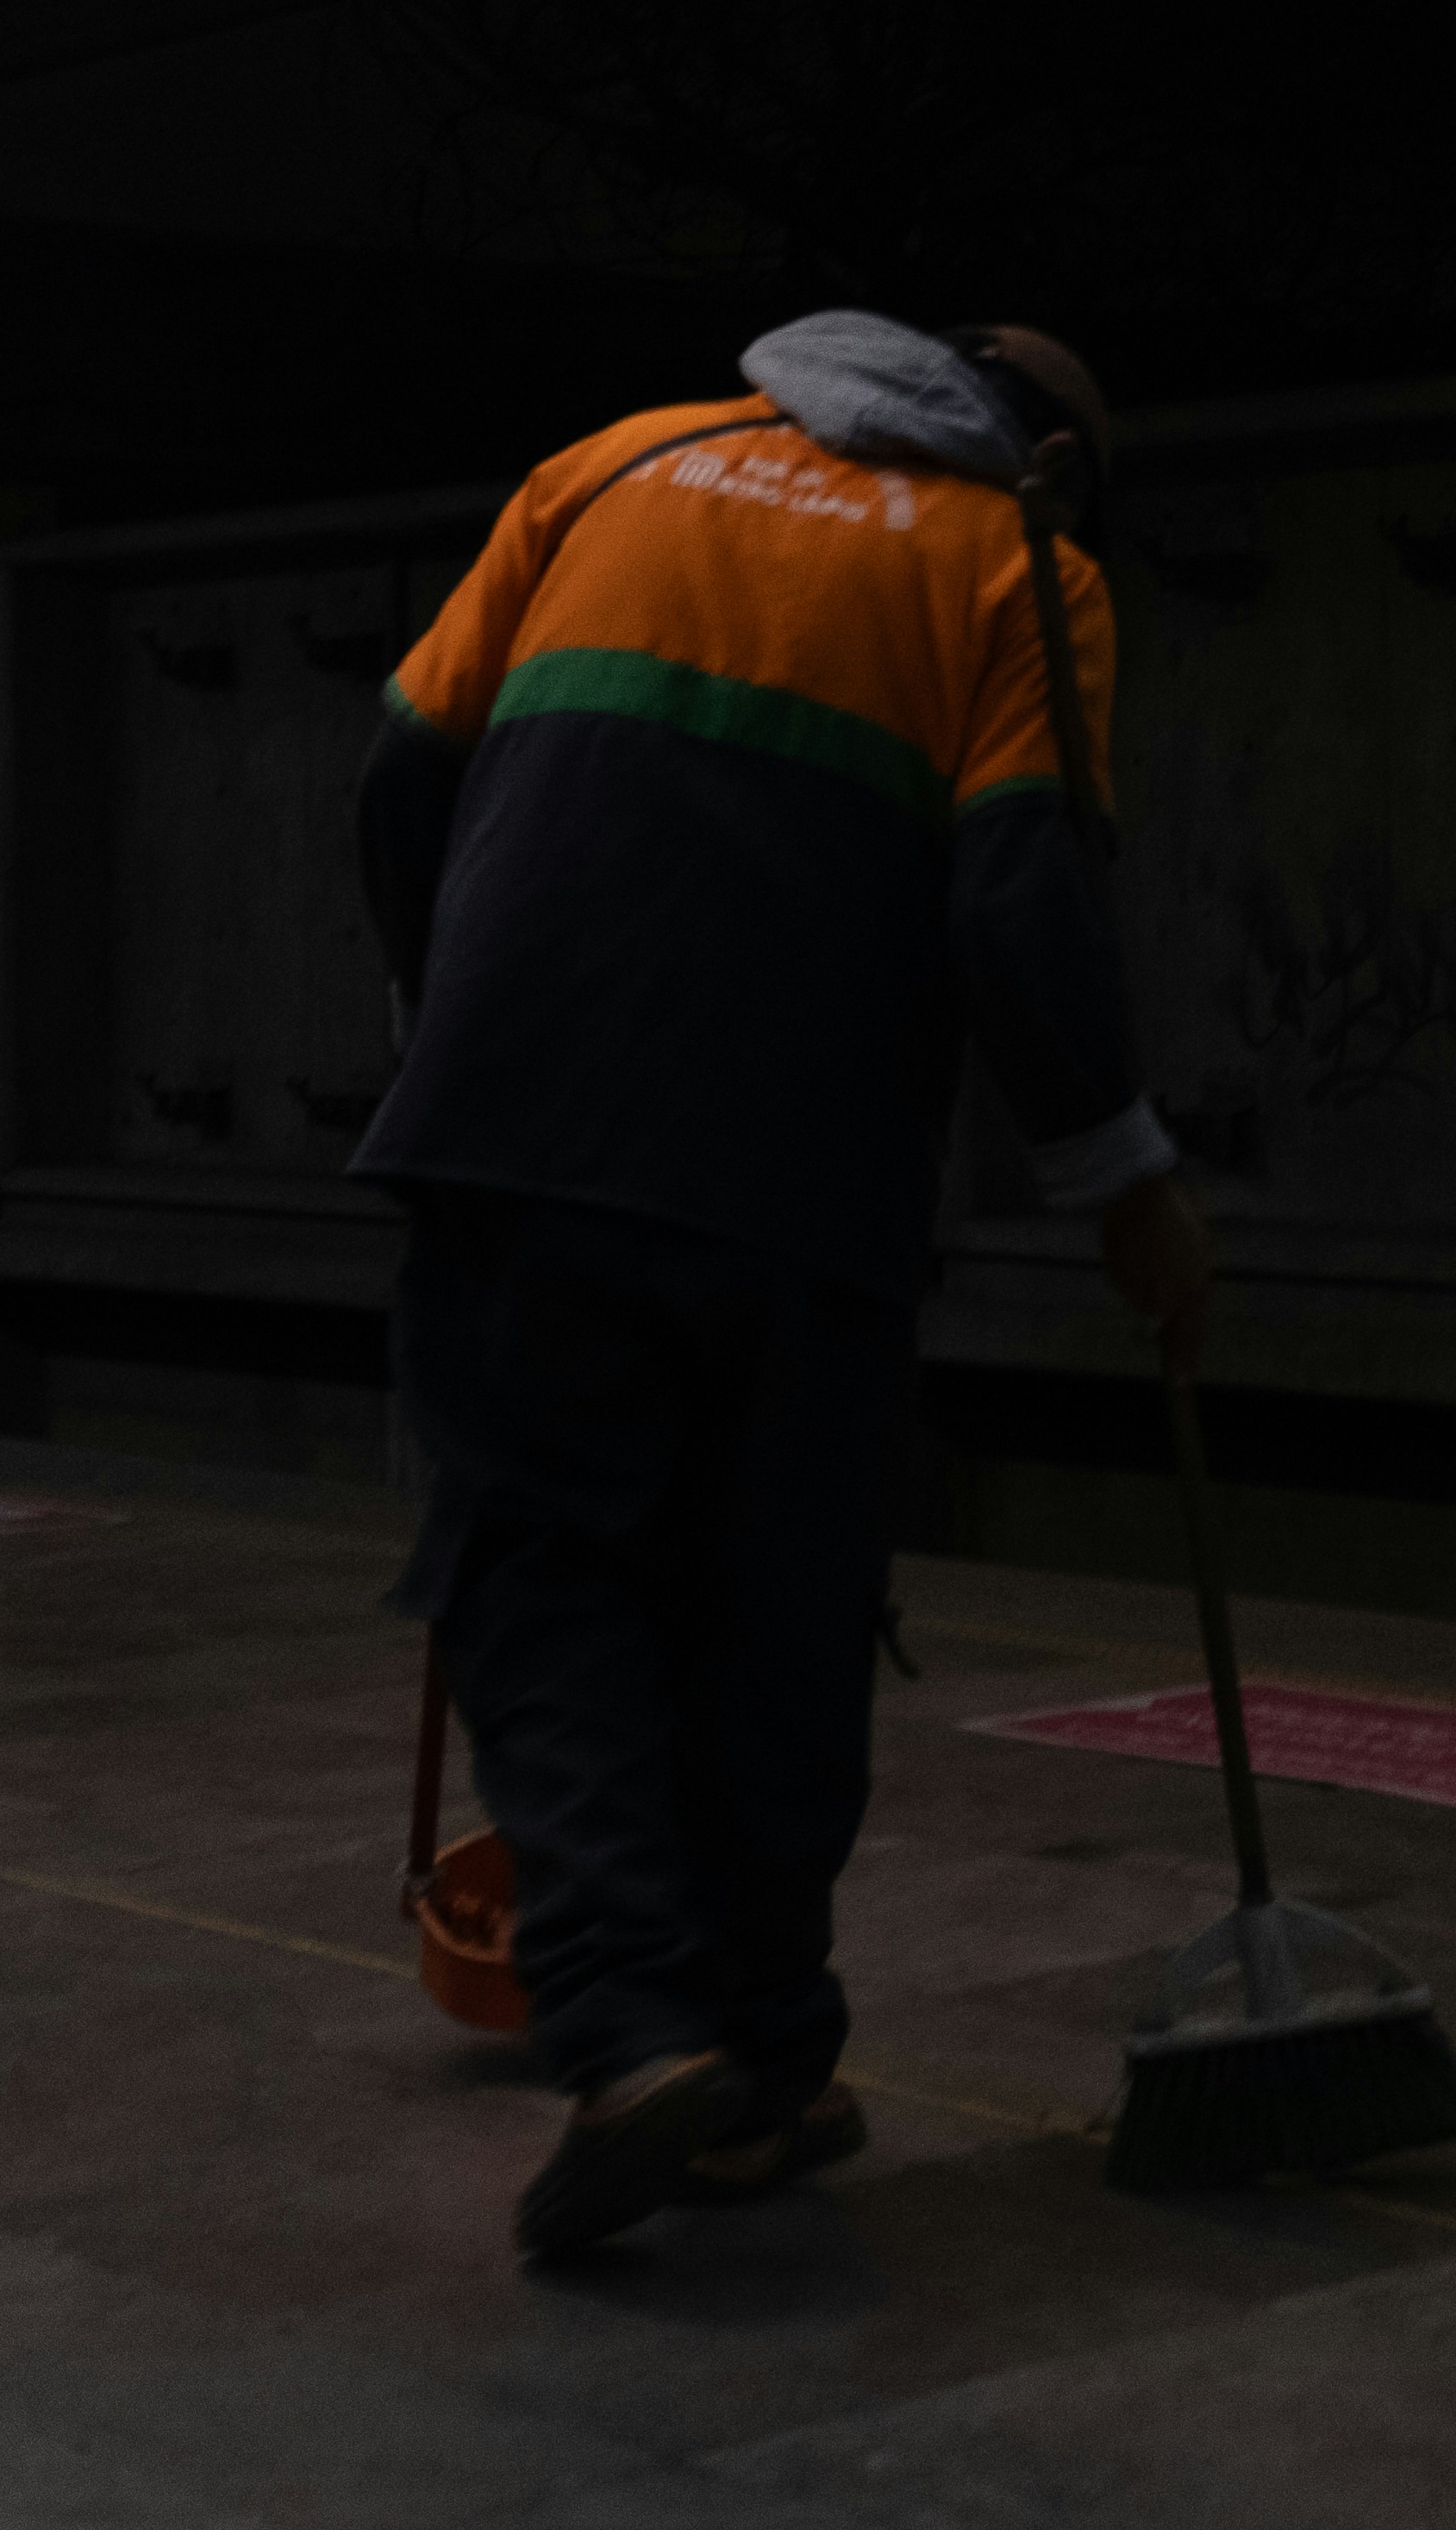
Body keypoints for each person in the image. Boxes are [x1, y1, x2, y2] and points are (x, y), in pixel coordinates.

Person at [352, 310, 1212, 2255]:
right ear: (1059, 464)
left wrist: (446, 1007)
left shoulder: (619, 457)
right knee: (782, 1603)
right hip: (805, 1174)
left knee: (551, 1578)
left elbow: (405, 763)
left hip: (524, 1126)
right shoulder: (1026, 564)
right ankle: (740, 2041)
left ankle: (656, 2041)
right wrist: (1128, 1181)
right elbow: (1019, 892)